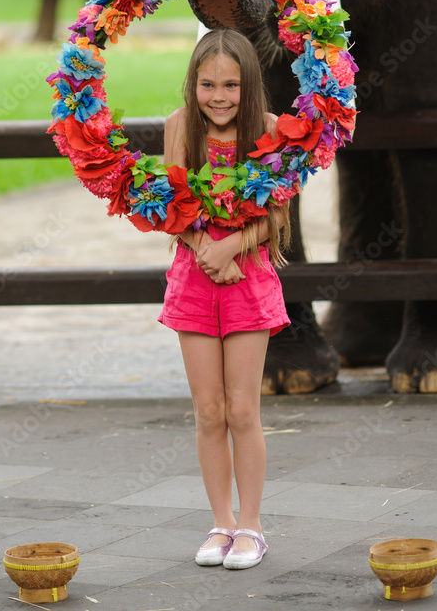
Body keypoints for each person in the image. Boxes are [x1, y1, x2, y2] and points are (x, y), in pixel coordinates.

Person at [158, 28, 291, 570]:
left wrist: (235, 243)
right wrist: (204, 248)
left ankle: (252, 526)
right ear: (193, 83)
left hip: (248, 280)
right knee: (208, 411)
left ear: (249, 84)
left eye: (231, 85)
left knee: (241, 408)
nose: (218, 95)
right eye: (207, 83)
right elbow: (168, 204)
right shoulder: (177, 128)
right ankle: (221, 523)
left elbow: (277, 213)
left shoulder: (270, 131)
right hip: (193, 282)